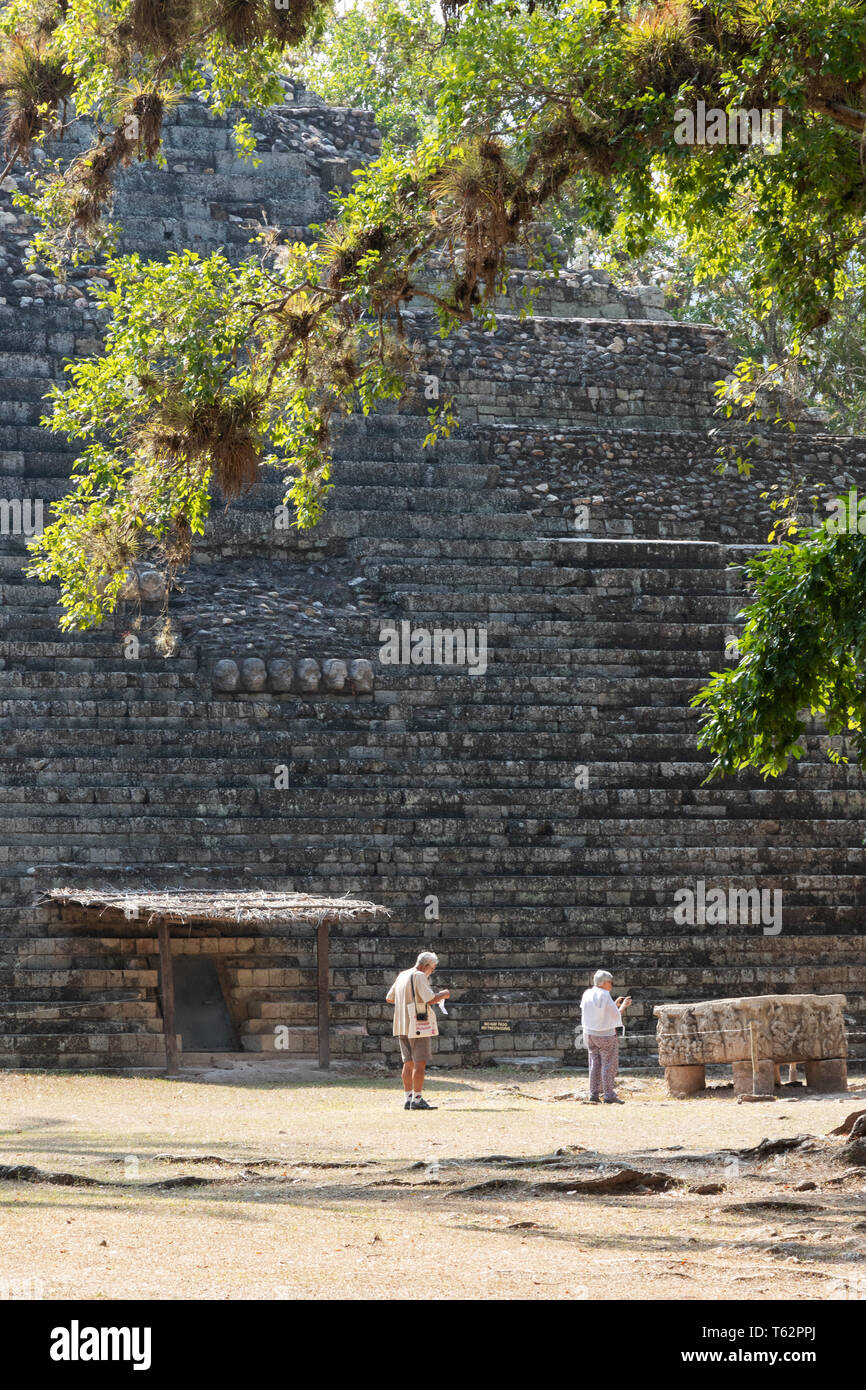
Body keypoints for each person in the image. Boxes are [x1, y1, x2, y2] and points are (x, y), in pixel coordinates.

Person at [386, 951, 450, 1111]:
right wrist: (444, 994)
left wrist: (406, 1001)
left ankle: (408, 1098)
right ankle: (417, 1099)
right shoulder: (419, 976)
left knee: (407, 1063)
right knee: (419, 1062)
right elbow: (430, 999)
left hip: (401, 1024)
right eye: (432, 968)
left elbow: (390, 998)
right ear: (425, 965)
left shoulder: (402, 975)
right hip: (417, 1025)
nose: (432, 971)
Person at [580, 970, 631, 1104]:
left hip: (589, 1034)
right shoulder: (604, 994)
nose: (611, 985)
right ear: (605, 982)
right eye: (610, 982)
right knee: (608, 1064)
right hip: (605, 1035)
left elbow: (597, 1012)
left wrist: (614, 1005)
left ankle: (593, 1093)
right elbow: (615, 1015)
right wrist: (623, 1006)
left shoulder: (587, 993)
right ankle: (609, 1094)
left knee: (594, 1064)